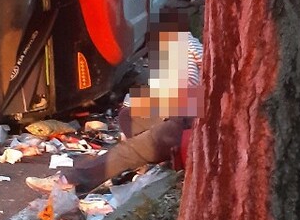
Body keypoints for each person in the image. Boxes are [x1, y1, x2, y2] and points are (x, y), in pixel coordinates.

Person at [27, 23, 203, 195]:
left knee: (128, 150)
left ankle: (70, 180)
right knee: (129, 115)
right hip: (189, 110)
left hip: (188, 118)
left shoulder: (177, 43)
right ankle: (144, 155)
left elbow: (182, 89)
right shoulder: (189, 46)